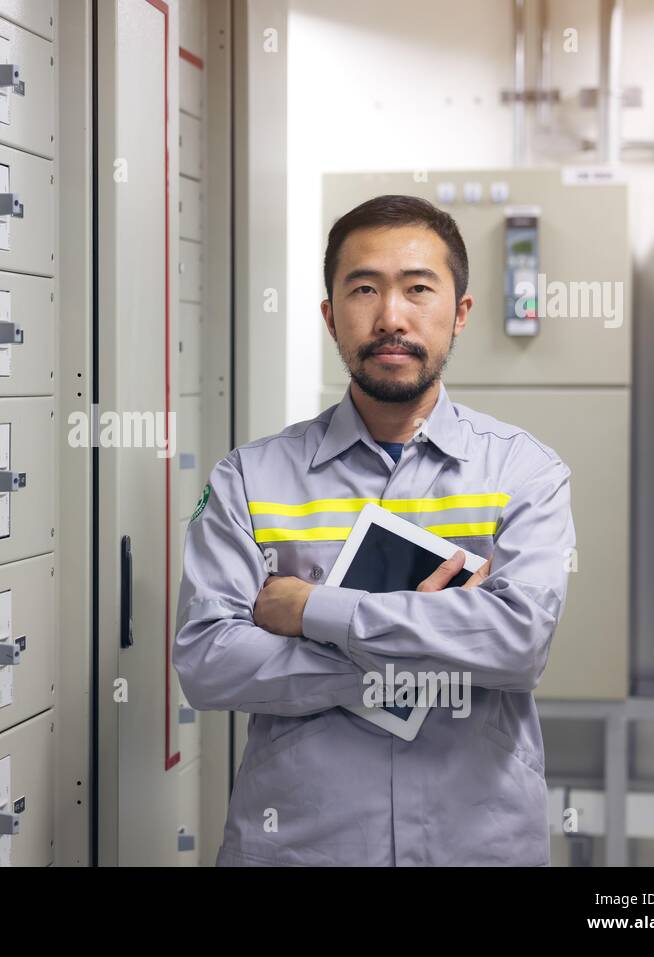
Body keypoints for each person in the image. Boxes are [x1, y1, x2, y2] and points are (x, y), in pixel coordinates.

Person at [174, 194, 575, 866]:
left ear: (461, 312)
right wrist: (433, 653)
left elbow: (518, 644)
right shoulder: (251, 478)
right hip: (301, 848)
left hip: (479, 847)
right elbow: (210, 664)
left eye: (419, 289)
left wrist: (313, 610)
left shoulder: (524, 472)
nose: (391, 316)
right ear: (331, 316)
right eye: (364, 289)